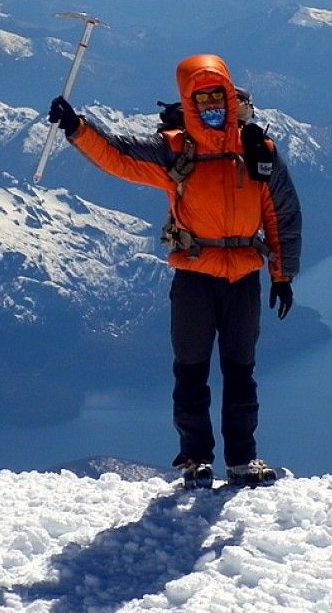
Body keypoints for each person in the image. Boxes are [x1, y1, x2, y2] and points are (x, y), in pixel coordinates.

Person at [48, 54, 302, 487]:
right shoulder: (176, 152)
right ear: (188, 102)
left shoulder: (257, 151)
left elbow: (281, 213)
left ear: (228, 94)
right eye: (201, 100)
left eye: (216, 97)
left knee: (240, 372)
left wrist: (282, 274)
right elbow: (120, 156)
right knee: (192, 371)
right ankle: (196, 460)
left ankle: (242, 461)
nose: (211, 107)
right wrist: (77, 129)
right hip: (195, 275)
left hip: (242, 277)